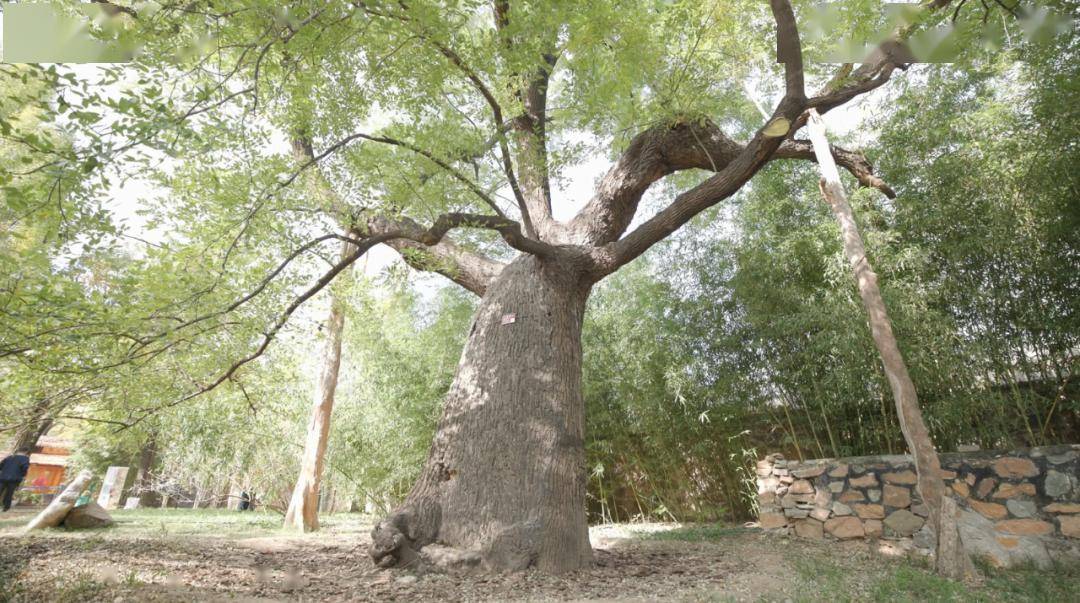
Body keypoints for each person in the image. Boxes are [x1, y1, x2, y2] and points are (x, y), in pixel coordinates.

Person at [0, 447, 32, 512]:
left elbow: (0, 466)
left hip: (3, 477)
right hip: (14, 479)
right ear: (26, 452)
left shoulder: (9, 457)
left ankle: (4, 507)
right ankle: (5, 508)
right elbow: (25, 468)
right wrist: (23, 475)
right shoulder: (25, 459)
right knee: (9, 493)